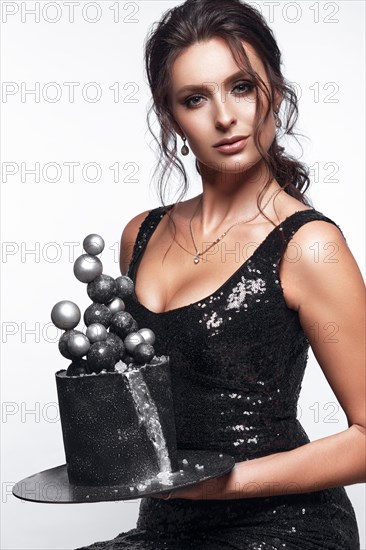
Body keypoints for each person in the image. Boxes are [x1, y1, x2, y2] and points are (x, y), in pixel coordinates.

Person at [77, 0, 365, 548]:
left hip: (281, 525)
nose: (224, 117)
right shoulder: (140, 236)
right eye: (194, 99)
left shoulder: (307, 244)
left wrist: (224, 485)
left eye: (242, 87)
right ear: (171, 118)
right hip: (165, 525)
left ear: (274, 94)